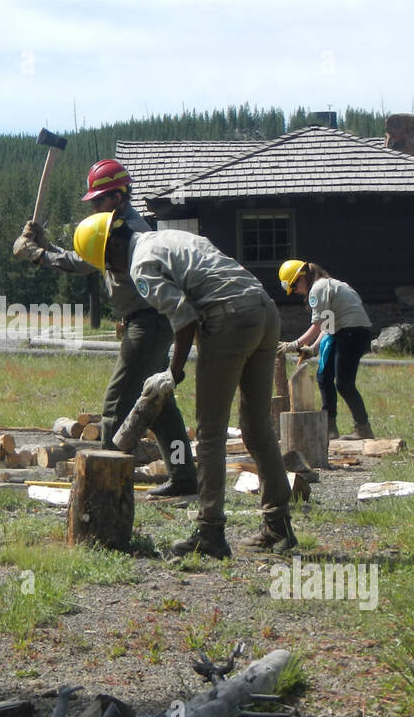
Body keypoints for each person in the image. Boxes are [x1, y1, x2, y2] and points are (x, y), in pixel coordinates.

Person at [71, 210, 296, 558]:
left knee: (209, 433)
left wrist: (172, 374)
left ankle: (210, 533)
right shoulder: (164, 238)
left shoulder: (140, 265)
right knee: (257, 428)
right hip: (264, 310)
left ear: (112, 250)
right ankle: (278, 527)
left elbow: (184, 318)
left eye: (105, 265)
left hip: (229, 318)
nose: (111, 273)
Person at [13, 159, 196, 497]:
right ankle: (184, 476)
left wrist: (39, 254)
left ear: (118, 196)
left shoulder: (126, 231)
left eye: (99, 200)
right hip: (148, 320)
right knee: (159, 404)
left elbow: (82, 263)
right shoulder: (118, 225)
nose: (95, 207)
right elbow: (88, 256)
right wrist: (46, 247)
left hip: (148, 321)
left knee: (116, 403)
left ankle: (105, 484)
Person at [277, 260, 374, 440]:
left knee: (344, 384)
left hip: (353, 333)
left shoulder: (318, 289)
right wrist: (313, 349)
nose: (296, 291)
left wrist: (293, 344)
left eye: (294, 286)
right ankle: (329, 429)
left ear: (302, 277)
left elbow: (317, 326)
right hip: (345, 332)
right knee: (324, 377)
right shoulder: (325, 286)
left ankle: (363, 428)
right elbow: (327, 326)